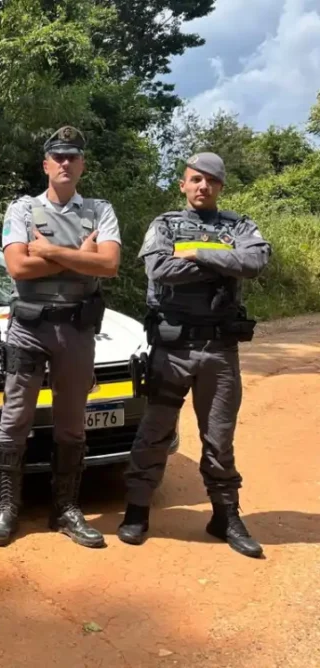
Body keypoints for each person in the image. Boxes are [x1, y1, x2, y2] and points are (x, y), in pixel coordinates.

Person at [119, 152, 271, 559]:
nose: (203, 186)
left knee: (219, 438)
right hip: (172, 349)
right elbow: (160, 270)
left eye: (211, 180)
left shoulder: (238, 225)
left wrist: (197, 254)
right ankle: (137, 510)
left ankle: (226, 515)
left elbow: (256, 261)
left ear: (221, 186)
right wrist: (225, 264)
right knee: (155, 431)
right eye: (196, 179)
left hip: (220, 350)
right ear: (184, 184)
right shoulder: (165, 224)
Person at [0, 126, 122, 549]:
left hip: (77, 330)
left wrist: (49, 252)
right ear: (45, 164)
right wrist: (81, 257)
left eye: (72, 157)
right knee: (15, 419)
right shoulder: (22, 210)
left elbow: (110, 265)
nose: (65, 163)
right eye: (57, 157)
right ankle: (7, 508)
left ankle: (65, 509)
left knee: (71, 422)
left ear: (82, 165)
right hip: (28, 328)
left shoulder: (101, 211)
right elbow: (18, 269)